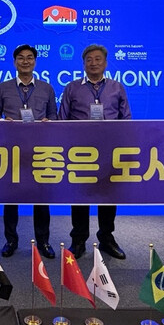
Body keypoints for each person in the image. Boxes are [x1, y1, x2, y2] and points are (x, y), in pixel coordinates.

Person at [59, 44, 130, 260]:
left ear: (105, 63)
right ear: (83, 64)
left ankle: (106, 238)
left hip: (110, 151)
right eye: (89, 59)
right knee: (80, 196)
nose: (93, 63)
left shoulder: (117, 87)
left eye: (98, 59)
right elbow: (62, 119)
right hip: (80, 152)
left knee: (108, 196)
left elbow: (126, 119)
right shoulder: (72, 87)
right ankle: (78, 240)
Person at [0, 44, 57, 259]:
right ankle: (11, 240)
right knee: (11, 198)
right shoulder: (3, 87)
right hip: (11, 149)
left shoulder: (47, 88)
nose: (25, 61)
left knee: (41, 198)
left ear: (35, 62)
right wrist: (3, 122)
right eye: (21, 58)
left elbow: (54, 116)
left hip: (40, 150)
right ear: (14, 62)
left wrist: (48, 122)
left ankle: (43, 241)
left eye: (29, 58)